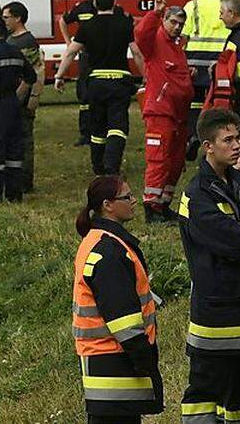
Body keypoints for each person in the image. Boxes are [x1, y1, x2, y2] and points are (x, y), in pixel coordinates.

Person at [176, 108, 240, 424]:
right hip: (216, 322)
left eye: (238, 139)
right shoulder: (197, 196)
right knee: (202, 398)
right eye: (228, 140)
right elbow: (235, 242)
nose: (236, 146)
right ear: (208, 146)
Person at [73, 176, 164, 423]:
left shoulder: (96, 240)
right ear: (108, 205)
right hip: (116, 366)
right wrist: (146, 361)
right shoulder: (110, 251)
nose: (134, 201)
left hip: (104, 368)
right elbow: (123, 319)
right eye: (127, 197)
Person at [55, 0, 139, 175]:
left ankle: (98, 165)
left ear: (94, 2)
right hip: (119, 81)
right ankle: (111, 165)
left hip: (96, 82)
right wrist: (147, 77)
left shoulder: (88, 25)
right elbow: (136, 53)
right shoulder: (124, 24)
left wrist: (60, 75)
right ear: (115, 2)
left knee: (98, 126)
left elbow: (71, 52)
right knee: (118, 126)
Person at [134, 0, 193, 222]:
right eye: (173, 22)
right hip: (160, 112)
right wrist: (155, 12)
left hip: (178, 114)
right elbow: (141, 34)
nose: (177, 27)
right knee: (159, 159)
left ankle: (164, 203)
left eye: (181, 24)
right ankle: (152, 207)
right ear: (164, 20)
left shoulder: (177, 46)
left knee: (176, 161)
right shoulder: (155, 41)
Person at [0, 15, 37, 204]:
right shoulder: (15, 51)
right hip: (13, 104)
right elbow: (31, 76)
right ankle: (14, 194)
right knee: (14, 149)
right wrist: (18, 96)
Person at [182, 0, 229, 149]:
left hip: (194, 59)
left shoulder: (192, 4)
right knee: (218, 100)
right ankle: (217, 137)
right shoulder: (229, 3)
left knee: (194, 101)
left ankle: (194, 135)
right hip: (220, 61)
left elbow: (183, 35)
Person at [3, 1, 44, 194]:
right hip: (10, 98)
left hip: (22, 100)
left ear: (18, 18)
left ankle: (25, 181)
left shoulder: (27, 42)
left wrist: (25, 98)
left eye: (7, 17)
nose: (4, 21)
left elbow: (32, 73)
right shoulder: (11, 40)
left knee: (24, 140)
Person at [57, 0, 102, 146]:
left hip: (101, 57)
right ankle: (85, 134)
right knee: (84, 95)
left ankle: (99, 130)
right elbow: (63, 21)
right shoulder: (82, 8)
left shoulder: (107, 8)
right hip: (86, 56)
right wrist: (68, 43)